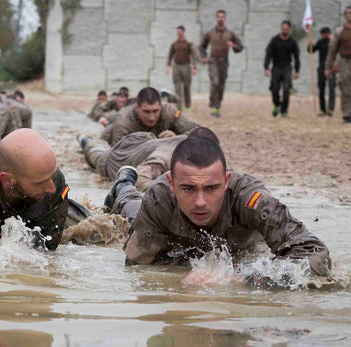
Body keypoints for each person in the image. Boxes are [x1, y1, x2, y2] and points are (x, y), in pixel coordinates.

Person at [106, 137, 331, 278]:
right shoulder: (160, 196)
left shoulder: (250, 199)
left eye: (212, 188)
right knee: (130, 207)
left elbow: (316, 255)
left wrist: (245, 279)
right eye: (188, 189)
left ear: (226, 181)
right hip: (161, 230)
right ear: (172, 184)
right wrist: (190, 272)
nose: (201, 202)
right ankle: (124, 183)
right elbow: (138, 268)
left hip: (238, 259)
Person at [78, 127, 219, 192]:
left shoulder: (211, 151)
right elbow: (140, 179)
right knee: (97, 152)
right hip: (116, 158)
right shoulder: (164, 156)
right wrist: (174, 190)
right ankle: (85, 140)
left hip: (144, 144)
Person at [100, 87, 199, 146]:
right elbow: (117, 153)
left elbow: (197, 131)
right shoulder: (124, 120)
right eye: (146, 112)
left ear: (161, 106)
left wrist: (176, 138)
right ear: (137, 108)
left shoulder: (169, 111)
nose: (151, 117)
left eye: (155, 111)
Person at [199, 10, 244, 118]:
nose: (220, 19)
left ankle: (218, 106)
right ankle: (213, 105)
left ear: (225, 18)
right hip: (213, 60)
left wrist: (233, 46)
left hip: (224, 62)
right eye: (219, 17)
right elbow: (202, 46)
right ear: (216, 18)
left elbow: (240, 47)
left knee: (221, 85)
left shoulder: (230, 34)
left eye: (222, 17)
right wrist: (204, 57)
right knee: (215, 82)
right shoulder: (210, 33)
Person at [264, 20, 300, 118]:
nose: (285, 31)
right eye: (283, 29)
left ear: (289, 29)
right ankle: (276, 105)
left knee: (286, 90)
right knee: (274, 89)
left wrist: (297, 71)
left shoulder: (292, 42)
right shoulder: (274, 40)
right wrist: (266, 67)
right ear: (281, 29)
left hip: (287, 68)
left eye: (286, 29)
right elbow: (268, 54)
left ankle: (284, 110)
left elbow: (296, 57)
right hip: (276, 68)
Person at [325, 6, 351, 124]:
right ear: (344, 15)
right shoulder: (340, 31)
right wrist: (328, 66)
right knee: (345, 88)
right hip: (345, 61)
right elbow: (332, 49)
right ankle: (347, 115)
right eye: (348, 13)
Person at [166, 25, 200, 111]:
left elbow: (194, 56)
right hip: (176, 66)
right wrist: (168, 66)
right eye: (177, 32)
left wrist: (194, 67)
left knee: (186, 87)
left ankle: (188, 105)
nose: (178, 34)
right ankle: (178, 106)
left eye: (180, 32)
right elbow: (170, 55)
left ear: (184, 32)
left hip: (186, 66)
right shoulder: (174, 44)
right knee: (177, 87)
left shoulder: (189, 44)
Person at [309, 27, 336, 117]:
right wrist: (309, 45)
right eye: (322, 34)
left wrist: (334, 40)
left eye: (324, 34)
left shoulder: (334, 42)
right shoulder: (320, 42)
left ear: (328, 33)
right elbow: (312, 50)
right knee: (321, 89)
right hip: (321, 68)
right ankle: (322, 109)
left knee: (332, 89)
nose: (323, 36)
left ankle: (331, 109)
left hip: (332, 68)